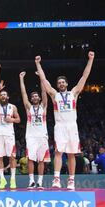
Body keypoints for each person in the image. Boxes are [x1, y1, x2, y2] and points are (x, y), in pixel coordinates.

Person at [36, 51, 95, 189]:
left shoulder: (73, 93)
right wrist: (38, 64)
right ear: (57, 85)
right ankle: (56, 179)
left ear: (67, 84)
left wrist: (90, 59)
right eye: (59, 82)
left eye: (63, 82)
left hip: (72, 126)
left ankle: (71, 181)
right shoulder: (54, 95)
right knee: (58, 152)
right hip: (60, 126)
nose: (61, 84)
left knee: (71, 153)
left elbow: (84, 76)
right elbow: (44, 81)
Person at [19, 70, 50, 189]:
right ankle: (31, 181)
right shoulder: (29, 108)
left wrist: (41, 78)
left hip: (42, 136)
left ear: (39, 98)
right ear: (31, 99)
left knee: (41, 160)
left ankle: (40, 182)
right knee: (31, 159)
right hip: (31, 136)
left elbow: (44, 92)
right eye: (33, 96)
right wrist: (21, 79)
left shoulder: (44, 106)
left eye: (37, 96)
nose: (35, 97)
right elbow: (23, 94)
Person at [0, 80, 21, 189]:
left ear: (8, 97)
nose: (3, 96)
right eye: (1, 95)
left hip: (9, 134)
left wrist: (11, 119)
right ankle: (2, 179)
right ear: (0, 97)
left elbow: (18, 119)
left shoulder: (13, 107)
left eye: (5, 95)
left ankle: (13, 179)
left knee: (12, 156)